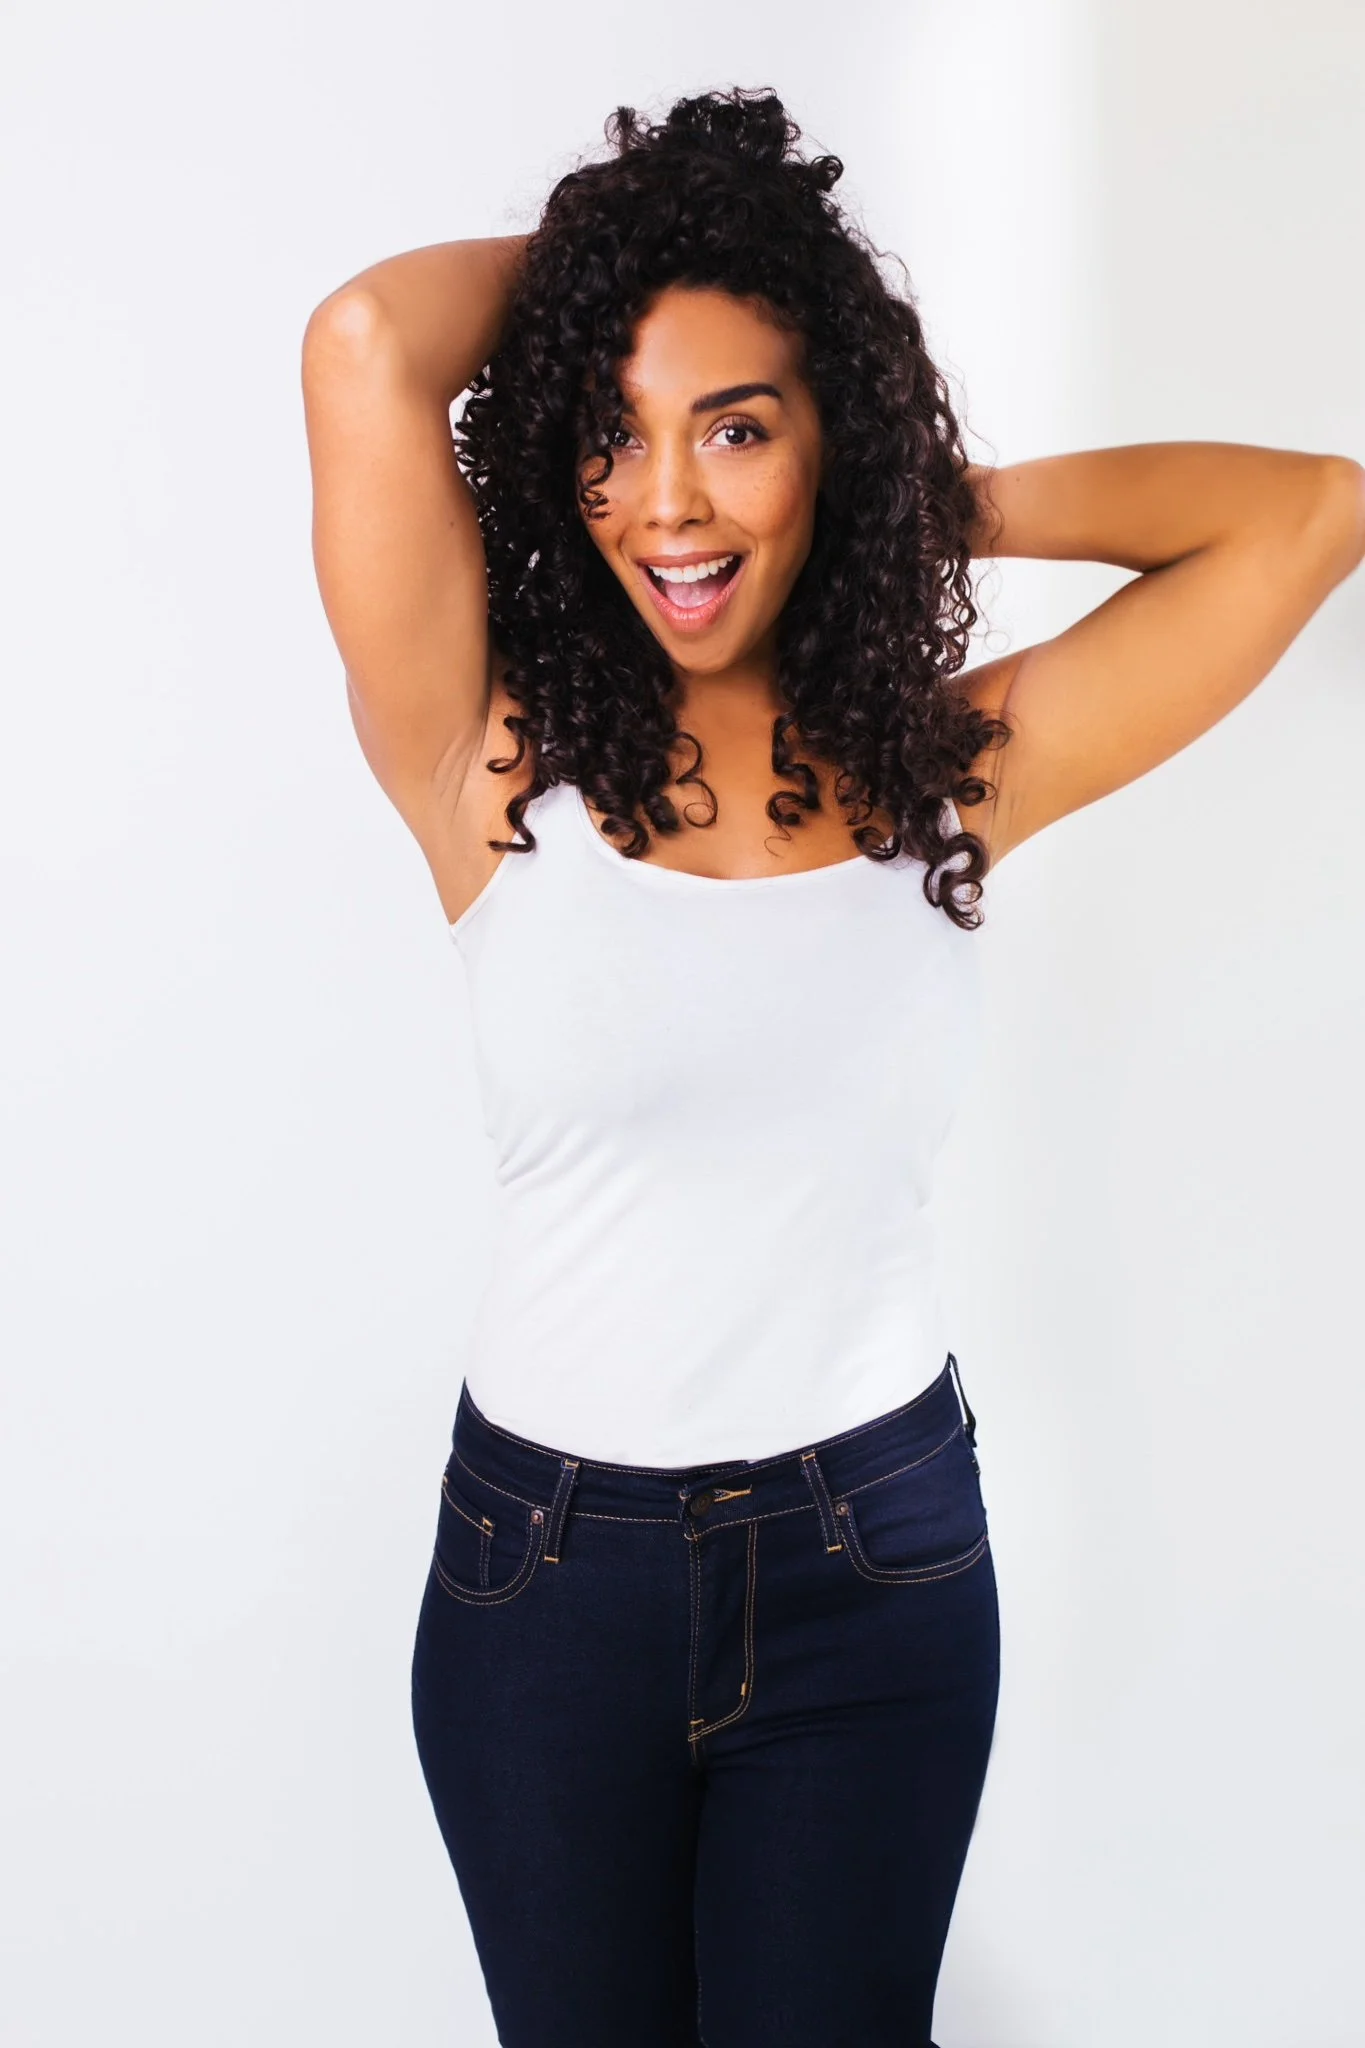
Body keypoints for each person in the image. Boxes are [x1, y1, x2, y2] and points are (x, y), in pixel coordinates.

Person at [300, 85, 1363, 2048]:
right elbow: (367, 341)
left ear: (826, 437)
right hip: (545, 1587)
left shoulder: (942, 776)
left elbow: (1307, 507)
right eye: (614, 434)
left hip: (869, 1571)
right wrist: (657, 250)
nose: (668, 504)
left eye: (737, 425)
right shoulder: (486, 758)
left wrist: (915, 477)